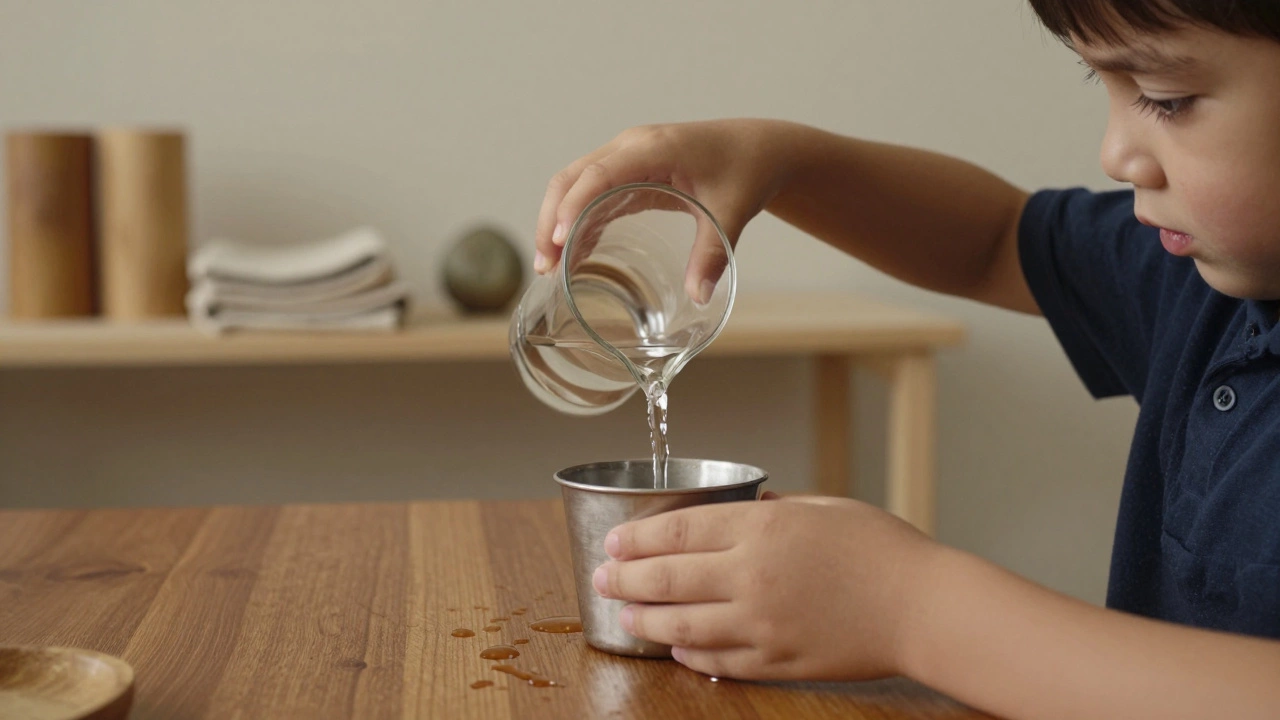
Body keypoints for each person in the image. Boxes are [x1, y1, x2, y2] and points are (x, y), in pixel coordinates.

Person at [532, 1, 1280, 718]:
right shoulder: (1197, 277)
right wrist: (781, 161)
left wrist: (909, 608)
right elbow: (994, 240)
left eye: (1166, 98)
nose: (1115, 154)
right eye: (1104, 83)